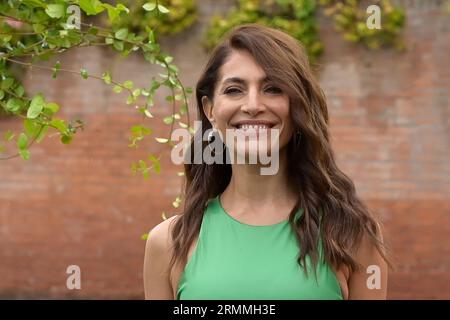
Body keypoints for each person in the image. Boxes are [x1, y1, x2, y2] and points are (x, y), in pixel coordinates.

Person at [143, 23, 389, 300]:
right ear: (210, 109)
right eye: (234, 90)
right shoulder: (167, 243)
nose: (253, 105)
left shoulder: (350, 236)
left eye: (272, 88)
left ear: (298, 106)